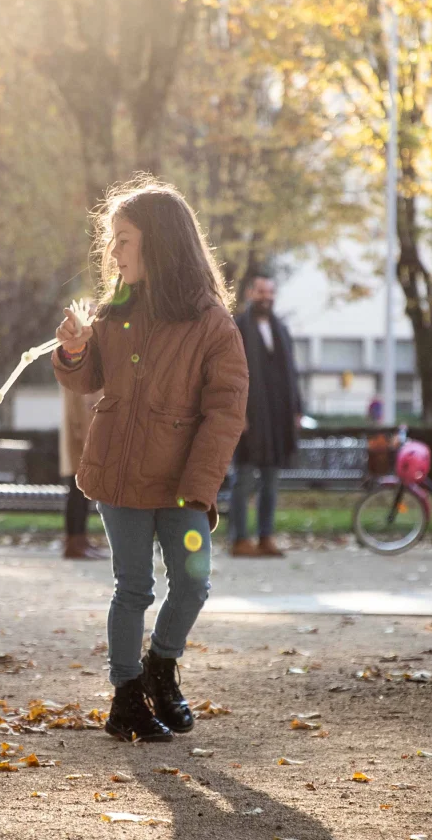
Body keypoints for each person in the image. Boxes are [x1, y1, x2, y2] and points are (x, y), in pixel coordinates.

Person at [54, 178, 248, 743]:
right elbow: (86, 379)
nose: (113, 253)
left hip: (184, 487)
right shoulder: (116, 309)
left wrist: (199, 488)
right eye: (111, 240)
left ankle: (161, 669)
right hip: (117, 479)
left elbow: (225, 414)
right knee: (133, 588)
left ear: (160, 242)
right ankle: (125, 699)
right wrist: (74, 349)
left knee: (192, 582)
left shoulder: (213, 323)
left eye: (124, 239)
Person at [230, 273, 303, 558]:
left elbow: (291, 374)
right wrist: (239, 412)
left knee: (271, 480)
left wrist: (297, 409)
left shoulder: (281, 329)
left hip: (277, 417)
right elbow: (232, 376)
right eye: (261, 292)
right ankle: (239, 539)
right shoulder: (237, 328)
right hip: (250, 417)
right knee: (244, 479)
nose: (266, 297)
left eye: (270, 292)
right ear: (250, 294)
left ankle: (265, 537)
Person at [59, 386, 107, 559]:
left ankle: (80, 540)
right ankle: (74, 543)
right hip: (81, 443)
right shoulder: (77, 376)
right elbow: (78, 412)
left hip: (84, 440)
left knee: (81, 494)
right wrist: (84, 437)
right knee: (77, 493)